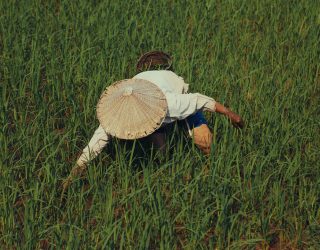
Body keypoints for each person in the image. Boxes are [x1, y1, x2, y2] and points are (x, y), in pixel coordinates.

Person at [62, 52, 244, 191]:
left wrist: (230, 114)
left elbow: (203, 101)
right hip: (142, 87)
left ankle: (212, 173)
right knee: (161, 153)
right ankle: (163, 171)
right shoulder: (116, 117)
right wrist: (73, 174)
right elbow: (94, 145)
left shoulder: (172, 103)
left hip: (170, 91)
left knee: (204, 140)